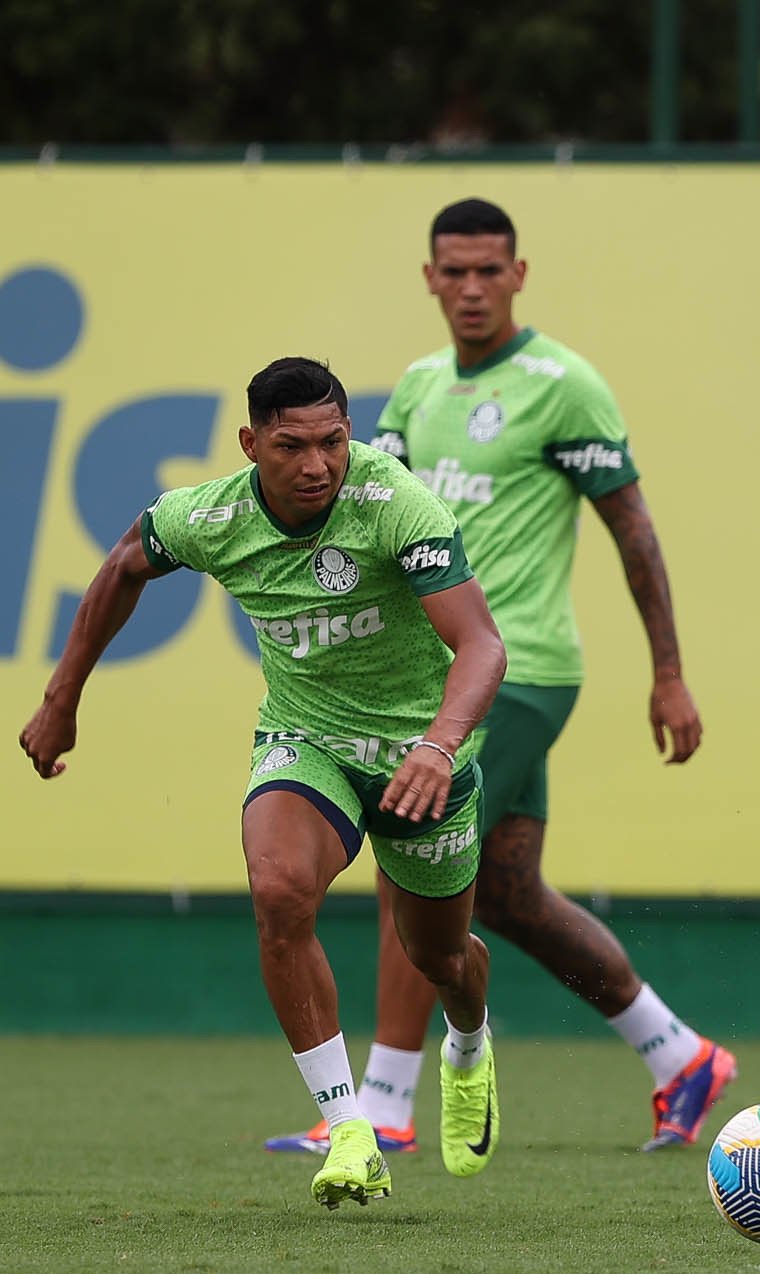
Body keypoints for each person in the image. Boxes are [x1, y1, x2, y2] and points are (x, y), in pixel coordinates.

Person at [264, 198, 735, 1159]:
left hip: (516, 671)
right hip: (430, 678)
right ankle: (679, 1055)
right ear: (430, 279)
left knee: (410, 851)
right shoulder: (421, 390)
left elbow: (632, 528)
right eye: (455, 270)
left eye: (490, 270)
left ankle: (386, 1105)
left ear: (519, 274)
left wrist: (670, 674)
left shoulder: (564, 386)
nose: (472, 287)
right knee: (509, 896)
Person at [20, 357, 507, 1209]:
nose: (318, 464)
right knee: (279, 892)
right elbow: (125, 564)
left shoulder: (396, 505)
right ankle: (350, 1128)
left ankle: (469, 1040)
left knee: (441, 958)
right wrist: (61, 699)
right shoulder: (207, 515)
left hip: (420, 751)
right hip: (306, 736)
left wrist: (438, 743)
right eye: (292, 446)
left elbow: (482, 646)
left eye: (332, 441)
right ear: (251, 443)